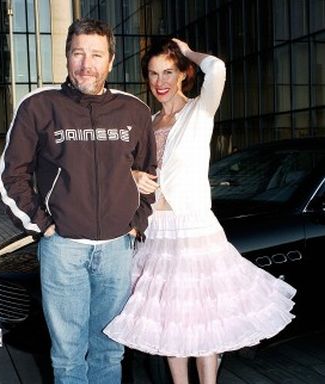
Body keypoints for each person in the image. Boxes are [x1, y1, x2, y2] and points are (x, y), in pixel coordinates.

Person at [104, 38, 296, 384]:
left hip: (193, 229)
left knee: (202, 321)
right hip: (157, 231)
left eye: (168, 72)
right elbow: (132, 172)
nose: (160, 82)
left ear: (182, 75)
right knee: (171, 322)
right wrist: (134, 177)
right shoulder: (147, 122)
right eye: (152, 74)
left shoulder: (199, 111)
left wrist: (188, 51)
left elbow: (217, 68)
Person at [0, 18, 156, 384]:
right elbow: (11, 176)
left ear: (111, 61)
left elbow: (149, 174)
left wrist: (137, 222)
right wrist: (44, 224)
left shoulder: (134, 111)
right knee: (68, 357)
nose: (86, 63)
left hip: (117, 249)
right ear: (67, 57)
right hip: (63, 250)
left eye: (96, 54)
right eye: (78, 53)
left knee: (109, 350)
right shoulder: (39, 106)